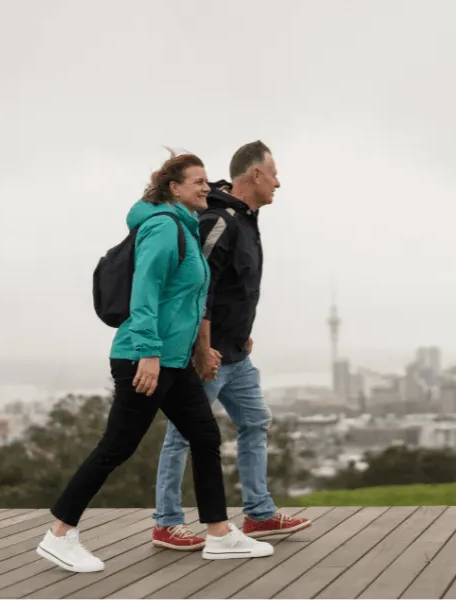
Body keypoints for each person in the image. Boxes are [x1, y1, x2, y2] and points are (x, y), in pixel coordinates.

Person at [36, 152, 274, 573]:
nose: (207, 187)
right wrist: (147, 352)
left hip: (173, 360)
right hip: (143, 357)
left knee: (204, 436)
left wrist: (199, 350)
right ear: (174, 189)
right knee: (117, 446)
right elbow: (145, 292)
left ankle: (218, 533)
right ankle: (59, 535)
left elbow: (190, 299)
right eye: (198, 182)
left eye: (206, 181)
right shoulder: (164, 228)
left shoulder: (185, 228)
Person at [151, 141, 311, 551]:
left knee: (256, 422)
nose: (279, 181)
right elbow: (197, 287)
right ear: (255, 176)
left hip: (236, 353)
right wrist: (202, 349)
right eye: (273, 173)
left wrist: (242, 330)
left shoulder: (246, 219)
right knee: (183, 436)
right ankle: (166, 523)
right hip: (208, 356)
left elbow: (234, 289)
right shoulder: (219, 220)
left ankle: (258, 515)